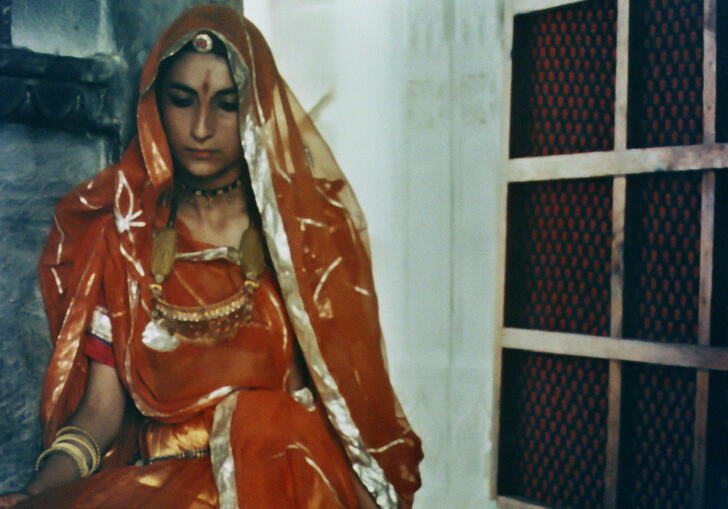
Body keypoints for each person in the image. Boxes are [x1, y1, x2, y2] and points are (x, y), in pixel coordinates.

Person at [0, 4, 422, 508]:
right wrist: (37, 492)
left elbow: (343, 407)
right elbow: (100, 413)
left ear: (257, 108)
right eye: (182, 100)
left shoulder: (300, 237)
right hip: (161, 488)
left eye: (225, 104)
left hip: (288, 483)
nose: (201, 128)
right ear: (156, 104)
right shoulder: (126, 238)